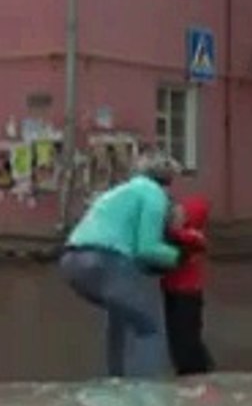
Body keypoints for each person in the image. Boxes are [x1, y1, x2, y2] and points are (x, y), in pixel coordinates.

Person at [59, 149, 182, 378]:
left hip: (71, 261)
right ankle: (149, 396)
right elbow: (146, 248)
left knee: (120, 318)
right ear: (167, 180)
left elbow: (133, 250)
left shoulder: (120, 192)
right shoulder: (154, 194)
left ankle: (115, 383)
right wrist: (178, 256)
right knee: (148, 327)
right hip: (106, 260)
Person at [162, 195, 215, 376]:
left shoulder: (192, 236)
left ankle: (197, 371)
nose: (174, 217)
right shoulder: (186, 236)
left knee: (186, 336)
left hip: (187, 294)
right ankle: (193, 369)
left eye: (180, 214)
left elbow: (180, 237)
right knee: (179, 335)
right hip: (175, 292)